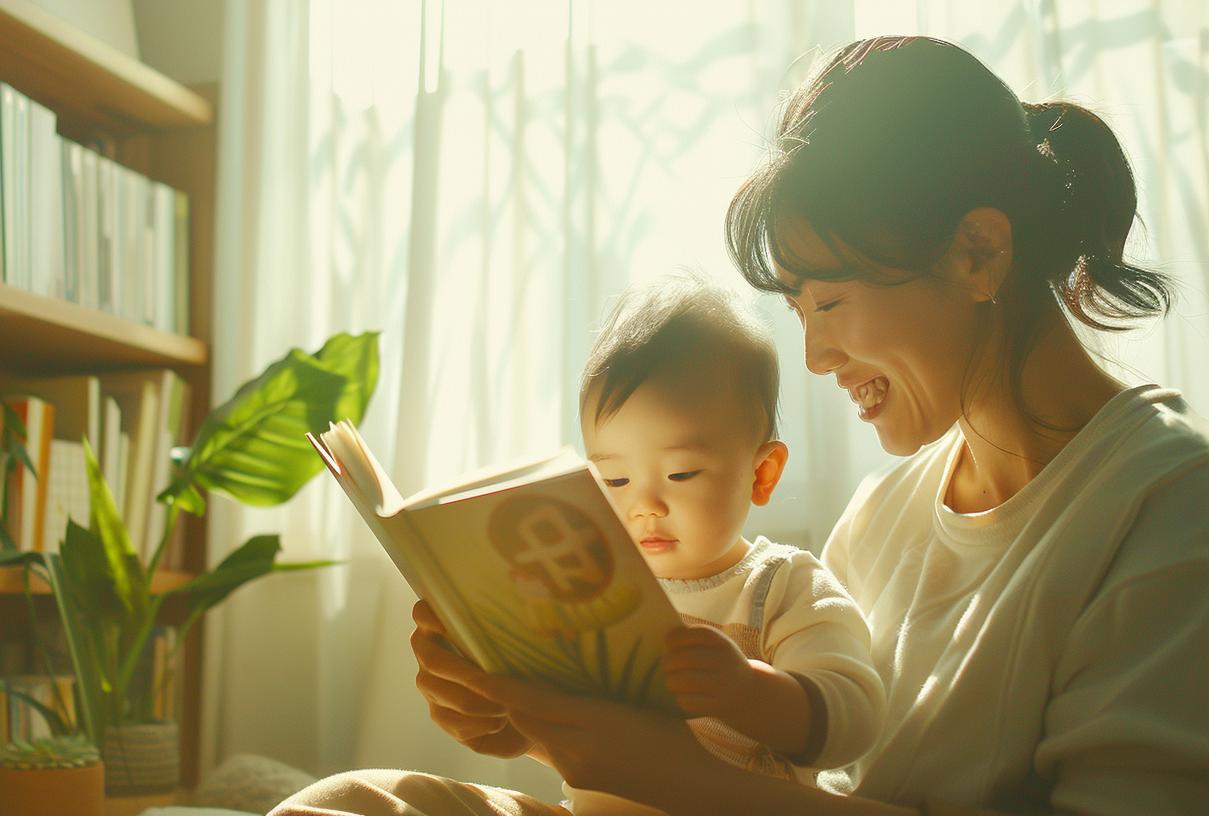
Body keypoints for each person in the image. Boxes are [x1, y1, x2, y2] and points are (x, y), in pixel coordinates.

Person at [273, 36, 1209, 816]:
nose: (816, 356)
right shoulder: (885, 515)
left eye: (830, 301)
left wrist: (658, 771)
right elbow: (799, 774)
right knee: (352, 801)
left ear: (978, 252)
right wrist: (531, 715)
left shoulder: (1168, 507)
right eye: (797, 310)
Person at [563, 272, 883, 814]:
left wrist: (747, 692)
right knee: (403, 793)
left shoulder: (780, 587)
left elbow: (856, 719)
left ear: (762, 472)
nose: (644, 505)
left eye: (682, 474)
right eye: (614, 480)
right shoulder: (597, 588)